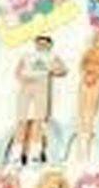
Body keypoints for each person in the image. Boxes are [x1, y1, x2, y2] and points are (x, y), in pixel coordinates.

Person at [9, 35, 67, 166]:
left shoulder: (52, 56)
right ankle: (16, 153)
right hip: (26, 85)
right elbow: (17, 71)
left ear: (49, 45)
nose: (42, 45)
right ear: (35, 44)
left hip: (42, 85)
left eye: (45, 43)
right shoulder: (27, 56)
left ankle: (35, 152)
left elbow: (62, 70)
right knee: (21, 119)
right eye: (39, 43)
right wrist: (23, 79)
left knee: (39, 119)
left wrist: (52, 69)